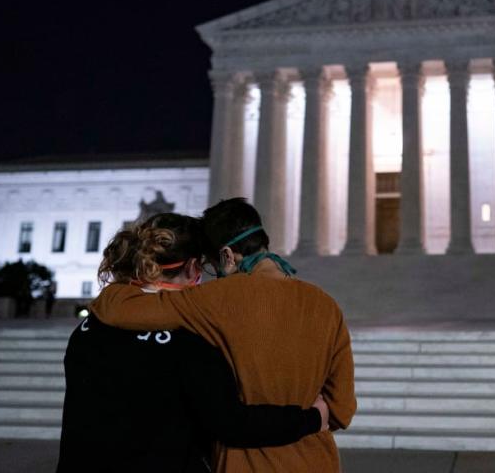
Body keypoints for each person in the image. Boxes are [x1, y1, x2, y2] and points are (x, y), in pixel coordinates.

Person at [91, 199, 356, 472]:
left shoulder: (214, 300)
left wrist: (121, 275)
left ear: (227, 256)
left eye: (211, 265)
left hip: (245, 463)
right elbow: (343, 408)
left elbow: (117, 310)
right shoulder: (326, 305)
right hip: (317, 460)